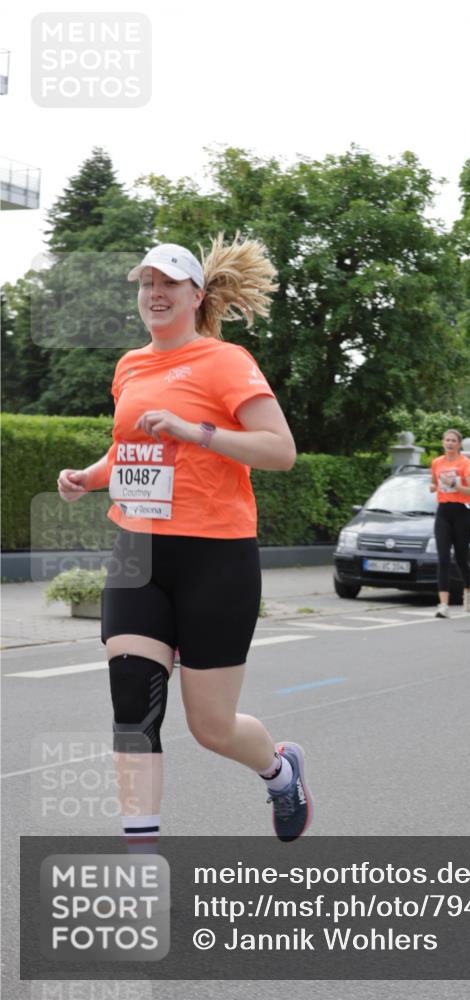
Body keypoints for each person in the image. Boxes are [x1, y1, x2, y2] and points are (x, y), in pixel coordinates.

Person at [56, 235, 313, 848]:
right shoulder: (129, 366)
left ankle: (280, 772)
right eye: (146, 283)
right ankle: (141, 857)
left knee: (213, 727)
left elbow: (280, 451)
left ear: (196, 295)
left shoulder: (225, 360)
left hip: (216, 557)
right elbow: (132, 449)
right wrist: (90, 478)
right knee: (132, 711)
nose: (155, 293)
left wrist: (196, 431)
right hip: (139, 551)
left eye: (168, 283)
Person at [429, 429, 470, 617]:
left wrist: (454, 484)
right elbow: (433, 483)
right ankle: (443, 605)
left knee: (460, 557)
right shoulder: (436, 463)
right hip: (443, 511)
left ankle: (467, 590)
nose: (449, 443)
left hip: (462, 512)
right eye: (446, 440)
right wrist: (435, 486)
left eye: (453, 441)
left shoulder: (466, 464)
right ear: (443, 443)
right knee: (442, 558)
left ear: (459, 444)